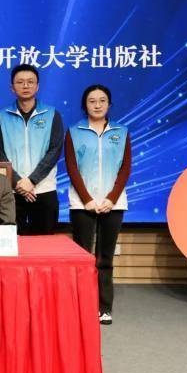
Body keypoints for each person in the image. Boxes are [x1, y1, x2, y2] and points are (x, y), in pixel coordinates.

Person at [65, 84, 132, 325]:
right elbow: (72, 168)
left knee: (105, 258)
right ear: (85, 105)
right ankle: (82, 305)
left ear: (109, 104)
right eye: (92, 101)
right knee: (83, 258)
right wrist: (87, 200)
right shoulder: (74, 132)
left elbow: (125, 168)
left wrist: (111, 199)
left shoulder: (121, 132)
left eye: (102, 100)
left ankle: (104, 307)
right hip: (82, 204)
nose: (97, 104)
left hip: (113, 203)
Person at [0, 64, 64, 235]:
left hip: (44, 190)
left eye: (30, 82)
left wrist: (32, 181)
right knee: (14, 245)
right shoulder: (1, 116)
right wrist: (18, 183)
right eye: (20, 82)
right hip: (12, 192)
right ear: (12, 87)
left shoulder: (52, 114)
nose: (25, 86)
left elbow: (54, 150)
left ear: (37, 86)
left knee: (44, 244)